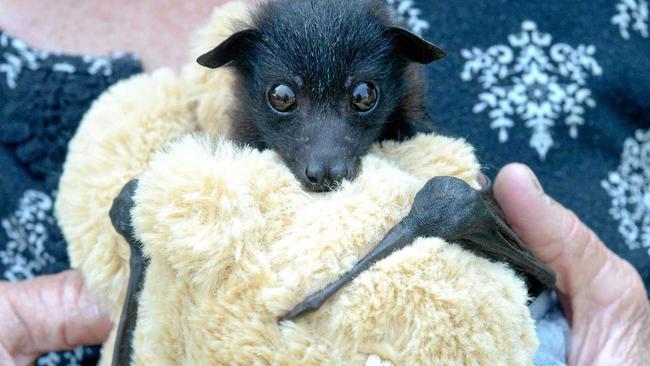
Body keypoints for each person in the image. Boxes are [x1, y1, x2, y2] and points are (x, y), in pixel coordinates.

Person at [1, 0, 649, 365]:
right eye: (283, 98)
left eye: (361, 96)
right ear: (245, 80)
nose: (324, 155)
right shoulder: (211, 174)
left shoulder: (429, 174)